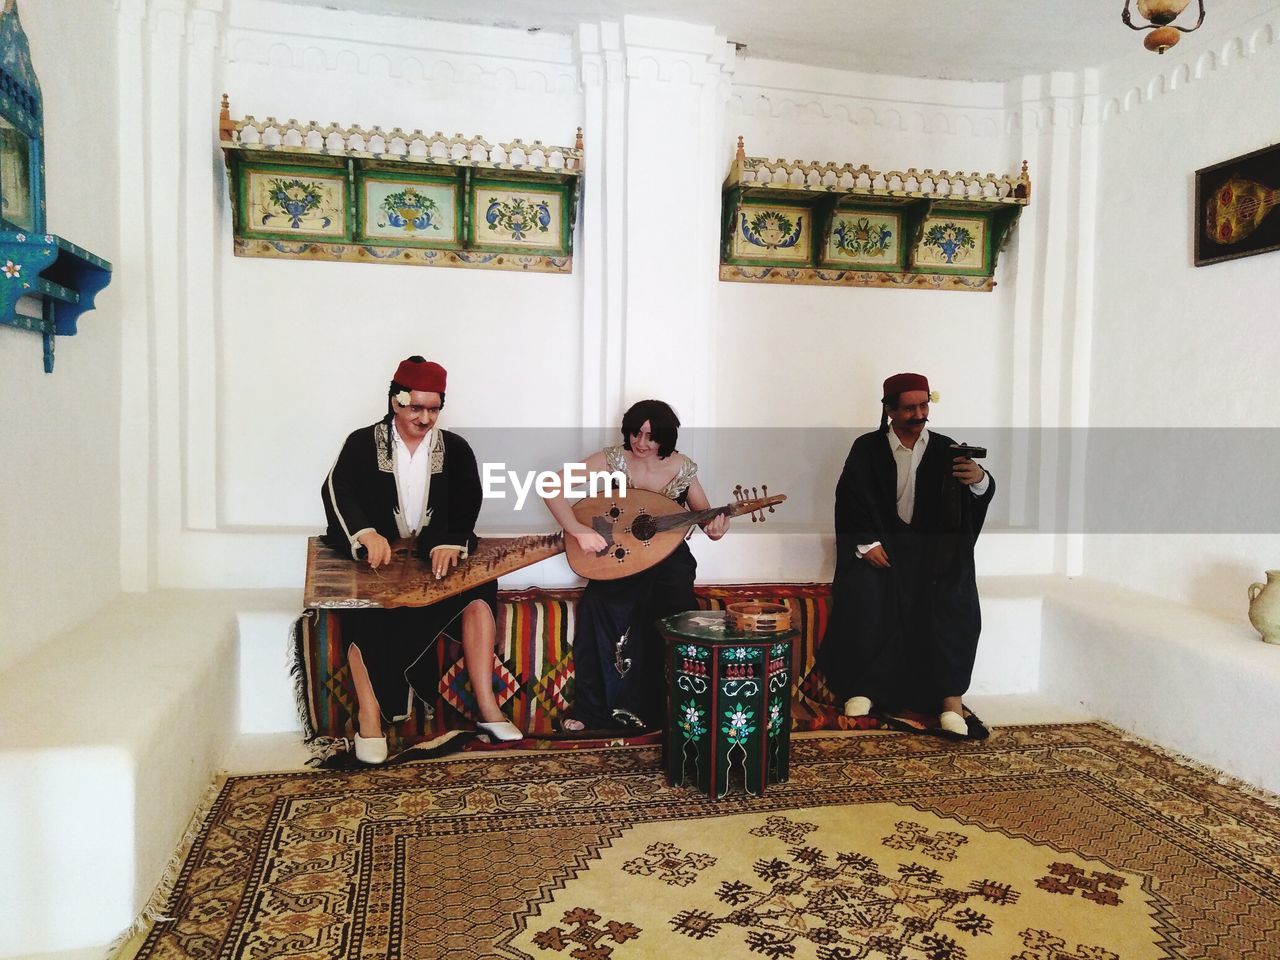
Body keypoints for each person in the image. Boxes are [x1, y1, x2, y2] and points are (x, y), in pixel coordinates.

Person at [321, 356, 522, 763]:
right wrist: (365, 533)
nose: (425, 417)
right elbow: (337, 490)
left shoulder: (456, 449)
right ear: (396, 400)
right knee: (363, 610)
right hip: (378, 559)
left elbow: (468, 500)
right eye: (416, 407)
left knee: (479, 589)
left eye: (434, 408)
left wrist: (451, 540)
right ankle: (370, 719)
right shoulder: (362, 443)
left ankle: (487, 708)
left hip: (432, 559)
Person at [816, 372, 995, 738]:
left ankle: (950, 702)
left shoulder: (947, 449)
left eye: (924, 405)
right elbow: (849, 499)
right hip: (884, 548)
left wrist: (978, 477)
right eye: (910, 407)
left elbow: (979, 493)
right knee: (866, 589)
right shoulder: (866, 448)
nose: (919, 414)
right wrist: (867, 544)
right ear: (891, 411)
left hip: (932, 554)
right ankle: (864, 687)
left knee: (953, 594)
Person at [542, 399, 729, 732]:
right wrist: (578, 530)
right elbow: (550, 486)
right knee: (598, 607)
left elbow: (705, 518)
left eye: (651, 436)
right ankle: (594, 711)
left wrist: (717, 526)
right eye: (635, 434)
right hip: (619, 560)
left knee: (675, 615)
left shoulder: (683, 468)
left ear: (666, 437)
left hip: (669, 563)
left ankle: (673, 711)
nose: (641, 443)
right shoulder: (612, 459)